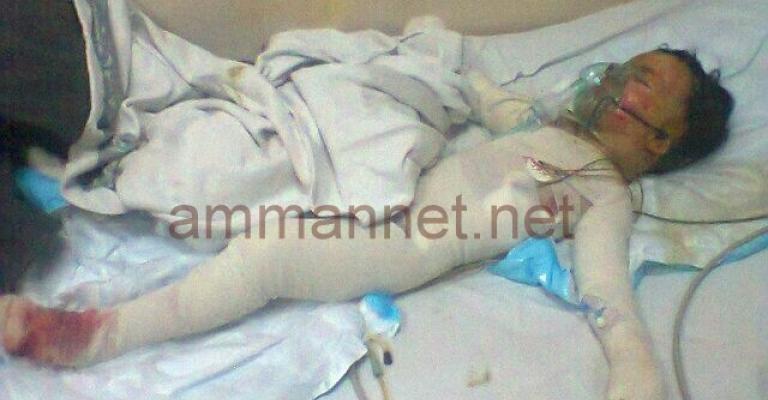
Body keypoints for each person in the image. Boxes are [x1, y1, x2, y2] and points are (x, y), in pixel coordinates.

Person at [0, 4, 734, 398]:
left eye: (646, 85)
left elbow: (610, 297)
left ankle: (98, 337)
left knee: (266, 259)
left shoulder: (605, 193)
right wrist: (458, 78)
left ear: (661, 141)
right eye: (630, 67)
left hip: (411, 240)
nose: (621, 82)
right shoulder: (551, 126)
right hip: (390, 185)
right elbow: (487, 100)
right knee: (242, 189)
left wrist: (633, 371)